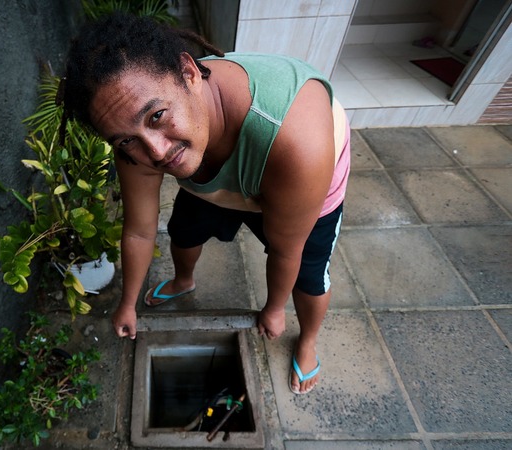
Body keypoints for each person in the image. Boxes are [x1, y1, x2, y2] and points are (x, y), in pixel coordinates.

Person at [59, 13, 350, 395]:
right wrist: (128, 303)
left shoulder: (297, 144)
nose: (157, 151)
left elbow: (285, 250)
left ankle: (309, 340)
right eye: (126, 140)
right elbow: (140, 229)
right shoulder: (141, 142)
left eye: (157, 116)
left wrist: (274, 308)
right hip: (212, 168)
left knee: (308, 277)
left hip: (295, 176)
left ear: (189, 73)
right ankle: (183, 280)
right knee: (183, 230)